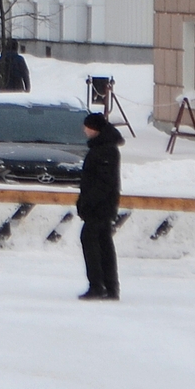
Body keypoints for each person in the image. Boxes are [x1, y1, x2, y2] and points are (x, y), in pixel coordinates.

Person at [78, 111, 124, 300]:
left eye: (87, 126)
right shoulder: (102, 147)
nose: (84, 130)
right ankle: (110, 287)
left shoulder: (105, 150)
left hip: (100, 207)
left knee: (92, 240)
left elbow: (104, 182)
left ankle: (98, 285)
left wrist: (88, 201)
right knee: (103, 243)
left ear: (94, 129)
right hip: (100, 205)